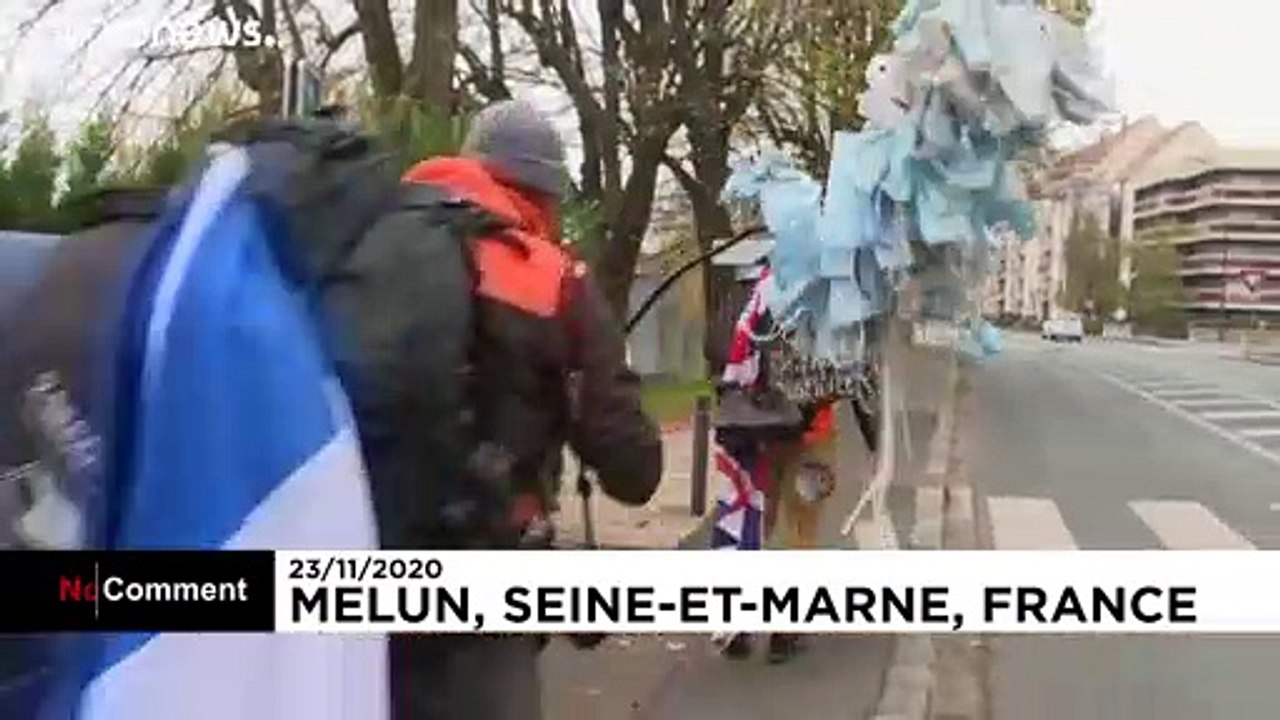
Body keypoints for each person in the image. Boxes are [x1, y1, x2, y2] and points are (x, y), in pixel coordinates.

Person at [392, 99, 664, 720]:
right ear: (543, 193)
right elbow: (632, 466)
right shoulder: (548, 276)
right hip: (486, 567)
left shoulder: (373, 252)